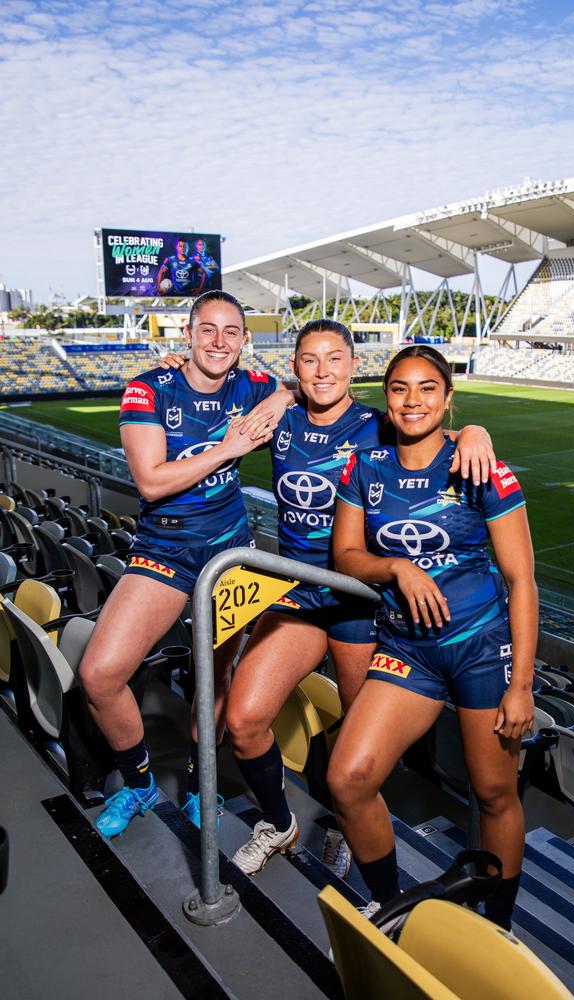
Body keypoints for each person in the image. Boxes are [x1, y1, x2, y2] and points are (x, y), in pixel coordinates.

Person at [214, 322, 496, 878]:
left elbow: (436, 432)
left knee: (358, 743)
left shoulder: (380, 425)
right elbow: (212, 380)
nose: (323, 371)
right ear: (293, 367)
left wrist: (476, 431)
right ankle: (278, 822)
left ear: (353, 365)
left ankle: (352, 829)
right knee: (243, 719)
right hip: (299, 591)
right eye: (310, 360)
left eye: (335, 359)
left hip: (361, 600)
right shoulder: (282, 417)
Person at [329, 344, 537, 930]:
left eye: (427, 388)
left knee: (494, 792)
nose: (413, 400)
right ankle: (389, 905)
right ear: (386, 398)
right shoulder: (363, 467)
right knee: (348, 779)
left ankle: (498, 926)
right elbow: (345, 556)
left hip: (480, 649)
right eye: (399, 388)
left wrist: (521, 684)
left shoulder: (481, 468)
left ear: (448, 399)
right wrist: (395, 567)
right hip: (406, 649)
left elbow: (522, 582)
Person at [79, 290, 295, 838]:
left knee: (215, 677)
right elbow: (150, 480)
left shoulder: (252, 386)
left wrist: (278, 400)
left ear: (244, 341)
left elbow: (296, 391)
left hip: (229, 552)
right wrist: (226, 448)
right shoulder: (148, 389)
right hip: (165, 549)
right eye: (208, 330)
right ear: (187, 335)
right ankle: (139, 783)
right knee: (100, 674)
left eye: (231, 331)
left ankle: (205, 784)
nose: (219, 341)